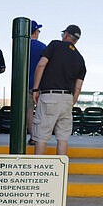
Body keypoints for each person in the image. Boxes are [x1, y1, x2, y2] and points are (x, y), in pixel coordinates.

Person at [32, 24, 86, 155]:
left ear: (66, 34)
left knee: (41, 137)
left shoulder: (55, 45)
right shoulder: (80, 59)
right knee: (63, 138)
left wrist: (35, 89)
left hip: (49, 96)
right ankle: (60, 173)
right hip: (67, 99)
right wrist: (70, 102)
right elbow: (78, 87)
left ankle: (37, 172)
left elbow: (41, 65)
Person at [27, 20, 46, 146]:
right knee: (40, 112)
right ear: (35, 32)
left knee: (28, 111)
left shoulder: (23, 46)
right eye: (38, 30)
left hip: (26, 85)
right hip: (40, 85)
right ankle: (40, 136)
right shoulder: (44, 47)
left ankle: (32, 136)